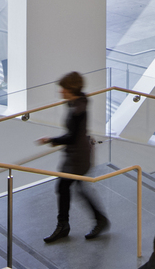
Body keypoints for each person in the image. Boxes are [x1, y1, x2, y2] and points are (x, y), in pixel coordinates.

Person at [38, 71, 109, 243]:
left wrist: (51, 140)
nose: (60, 92)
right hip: (76, 154)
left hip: (78, 156)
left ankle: (68, 225)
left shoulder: (78, 109)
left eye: (62, 89)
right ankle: (88, 222)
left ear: (70, 89)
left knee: (67, 187)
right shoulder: (78, 101)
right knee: (70, 188)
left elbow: (71, 136)